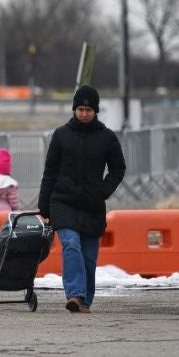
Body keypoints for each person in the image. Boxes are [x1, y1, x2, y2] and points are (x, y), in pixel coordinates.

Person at [37, 85, 125, 313]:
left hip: (92, 204)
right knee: (71, 245)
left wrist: (103, 190)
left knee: (88, 257)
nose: (84, 113)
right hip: (63, 202)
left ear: (95, 111)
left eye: (89, 109)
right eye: (81, 109)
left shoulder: (107, 137)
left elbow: (118, 168)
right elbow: (50, 171)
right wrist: (44, 205)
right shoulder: (61, 135)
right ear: (74, 109)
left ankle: (84, 301)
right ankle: (74, 294)